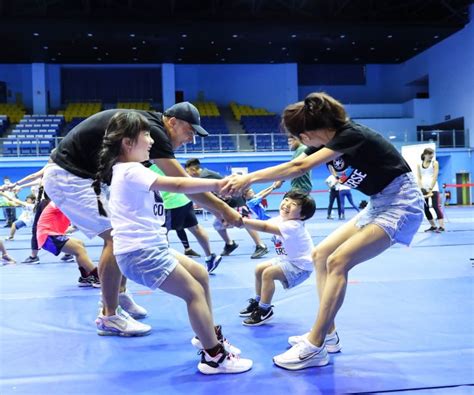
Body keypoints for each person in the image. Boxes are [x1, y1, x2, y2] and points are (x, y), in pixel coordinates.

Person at [222, 92, 424, 370]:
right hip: (378, 202)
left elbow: (299, 166)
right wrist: (247, 180)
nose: (300, 143)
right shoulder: (322, 144)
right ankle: (329, 336)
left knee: (338, 261)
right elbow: (292, 167)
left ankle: (315, 346)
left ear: (306, 134)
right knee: (321, 255)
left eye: (298, 136)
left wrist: (250, 176)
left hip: (401, 203)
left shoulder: (352, 135)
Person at [42, 101, 242, 337]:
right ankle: (109, 315)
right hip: (72, 178)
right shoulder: (150, 131)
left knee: (121, 234)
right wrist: (222, 208)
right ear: (173, 122)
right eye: (190, 132)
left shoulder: (145, 131)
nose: (191, 139)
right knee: (116, 238)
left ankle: (119, 297)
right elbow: (182, 183)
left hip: (88, 177)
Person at [94, 111, 252, 374]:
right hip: (141, 253)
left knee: (200, 274)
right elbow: (178, 183)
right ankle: (214, 356)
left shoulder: (133, 169)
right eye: (145, 135)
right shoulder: (131, 170)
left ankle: (207, 336)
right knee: (193, 293)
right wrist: (219, 184)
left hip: (152, 248)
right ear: (127, 142)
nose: (151, 141)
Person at [239, 191, 316, 326]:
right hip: (287, 260)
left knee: (268, 273)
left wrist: (241, 222)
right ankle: (258, 301)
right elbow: (261, 220)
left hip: (301, 266)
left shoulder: (294, 225)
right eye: (286, 200)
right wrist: (238, 218)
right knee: (259, 269)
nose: (287, 204)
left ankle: (265, 310)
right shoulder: (281, 219)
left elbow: (264, 227)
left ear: (302, 215)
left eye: (294, 204)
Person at [185, 158, 268, 259]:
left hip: (235, 201)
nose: (188, 174)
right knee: (218, 225)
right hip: (227, 204)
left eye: (187, 172)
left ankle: (261, 245)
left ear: (193, 170)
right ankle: (230, 244)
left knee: (245, 222)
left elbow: (208, 196)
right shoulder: (205, 175)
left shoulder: (204, 176)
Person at [150, 163, 222, 272]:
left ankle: (165, 263)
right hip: (184, 198)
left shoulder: (145, 165)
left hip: (169, 203)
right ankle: (210, 256)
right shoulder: (169, 162)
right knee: (195, 228)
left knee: (162, 232)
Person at [37, 198, 100, 287]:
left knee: (79, 243)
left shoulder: (66, 204)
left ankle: (85, 277)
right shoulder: (59, 202)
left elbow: (75, 226)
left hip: (51, 235)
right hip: (48, 236)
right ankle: (99, 277)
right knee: (79, 250)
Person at [417, 148, 445, 232]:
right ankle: (433, 226)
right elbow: (419, 177)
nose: (431, 156)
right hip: (424, 189)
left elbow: (435, 176)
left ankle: (441, 226)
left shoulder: (434, 163)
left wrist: (430, 188)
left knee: (436, 206)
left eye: (432, 154)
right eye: (430, 154)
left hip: (433, 188)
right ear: (425, 154)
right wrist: (421, 187)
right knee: (425, 208)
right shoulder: (419, 164)